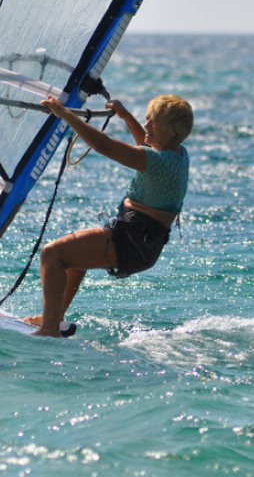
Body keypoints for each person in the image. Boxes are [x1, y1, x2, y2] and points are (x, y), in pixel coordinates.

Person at [27, 93, 193, 337]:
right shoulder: (178, 154)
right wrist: (126, 117)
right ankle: (54, 317)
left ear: (173, 131)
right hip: (143, 245)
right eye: (147, 119)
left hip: (131, 241)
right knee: (73, 256)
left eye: (153, 122)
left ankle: (49, 330)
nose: (146, 125)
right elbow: (147, 147)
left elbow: (106, 146)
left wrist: (65, 115)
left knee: (52, 254)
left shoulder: (158, 161)